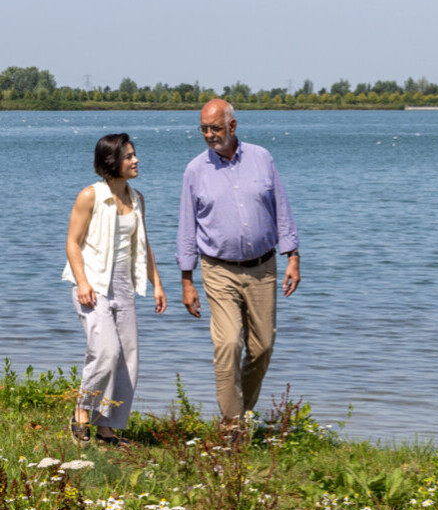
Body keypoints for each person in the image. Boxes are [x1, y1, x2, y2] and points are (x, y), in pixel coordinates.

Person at [176, 99, 300, 432]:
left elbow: (282, 209)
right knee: (228, 342)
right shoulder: (195, 170)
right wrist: (186, 279)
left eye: (214, 127)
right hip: (218, 269)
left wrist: (293, 255)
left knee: (262, 346)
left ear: (233, 125)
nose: (208, 135)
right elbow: (187, 228)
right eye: (203, 128)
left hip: (264, 267)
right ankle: (232, 427)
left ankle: (241, 409)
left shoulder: (262, 158)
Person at [63, 133, 166, 447]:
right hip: (93, 285)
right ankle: (81, 412)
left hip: (124, 286)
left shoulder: (137, 199)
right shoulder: (90, 196)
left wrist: (157, 283)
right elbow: (72, 243)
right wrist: (82, 282)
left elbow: (143, 246)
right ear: (112, 162)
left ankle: (107, 430)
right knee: (106, 351)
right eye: (128, 156)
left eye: (135, 154)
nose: (135, 160)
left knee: (127, 359)